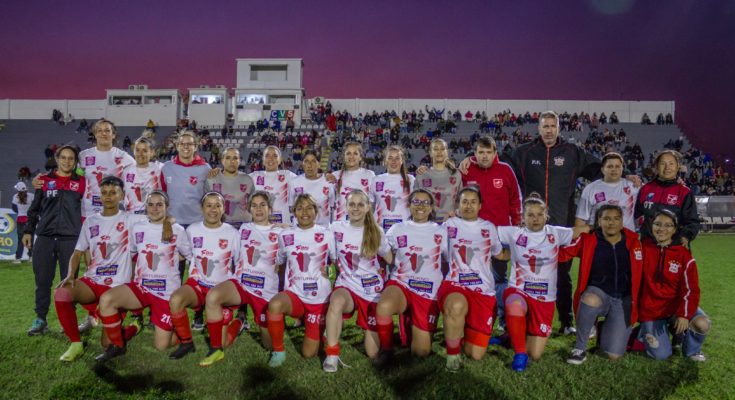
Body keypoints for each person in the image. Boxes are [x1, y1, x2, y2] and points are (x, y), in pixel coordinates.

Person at [95, 191, 191, 361]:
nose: (154, 208)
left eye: (159, 204)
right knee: (107, 299)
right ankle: (118, 346)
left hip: (165, 293)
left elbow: (190, 257)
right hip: (142, 288)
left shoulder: (177, 230)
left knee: (162, 346)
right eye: (151, 204)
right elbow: (132, 255)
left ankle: (174, 327)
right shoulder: (137, 227)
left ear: (167, 207)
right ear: (145, 207)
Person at [497, 194, 587, 371]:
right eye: (530, 215)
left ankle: (510, 336)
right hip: (519, 290)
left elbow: (580, 231)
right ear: (523, 217)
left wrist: (604, 224)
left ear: (546, 215)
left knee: (536, 354)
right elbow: (484, 231)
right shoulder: (513, 233)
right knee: (514, 306)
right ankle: (519, 354)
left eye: (539, 214)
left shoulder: (555, 233)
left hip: (544, 298)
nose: (535, 218)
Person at [53, 176, 137, 362]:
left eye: (113, 193)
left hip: (117, 287)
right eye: (104, 192)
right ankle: (76, 344)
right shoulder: (90, 221)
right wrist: (70, 275)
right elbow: (77, 253)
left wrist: (167, 222)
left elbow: (157, 220)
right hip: (93, 282)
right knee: (61, 293)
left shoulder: (132, 220)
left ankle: (134, 327)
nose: (108, 197)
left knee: (108, 345)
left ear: (122, 195)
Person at [197, 191, 282, 366]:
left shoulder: (281, 233)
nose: (258, 209)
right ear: (249, 209)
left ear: (270, 208)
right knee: (213, 297)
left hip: (265, 293)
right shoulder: (243, 229)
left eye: (262, 205)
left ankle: (240, 321)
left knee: (269, 345)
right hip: (241, 286)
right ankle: (216, 349)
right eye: (254, 205)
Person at [560, 205, 643, 364]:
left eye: (616, 219)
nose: (611, 223)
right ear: (598, 221)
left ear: (622, 221)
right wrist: (535, 249)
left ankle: (605, 328)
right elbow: (563, 254)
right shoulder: (588, 240)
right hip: (599, 294)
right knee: (590, 299)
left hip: (623, 299)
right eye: (606, 218)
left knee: (613, 355)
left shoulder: (634, 242)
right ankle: (580, 348)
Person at [375, 189, 448, 365]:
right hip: (402, 283)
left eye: (425, 202)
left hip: (428, 292)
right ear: (409, 206)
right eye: (416, 202)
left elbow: (447, 261)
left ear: (431, 207)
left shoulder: (442, 231)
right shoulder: (397, 229)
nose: (420, 206)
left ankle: (409, 319)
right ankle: (386, 349)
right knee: (384, 306)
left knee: (421, 352)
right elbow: (389, 256)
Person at [323, 190, 393, 372]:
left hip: (372, 291)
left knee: (373, 352)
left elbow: (391, 260)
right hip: (346, 285)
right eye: (351, 204)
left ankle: (382, 341)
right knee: (336, 301)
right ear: (345, 207)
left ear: (368, 207)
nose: (355, 208)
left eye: (360, 204)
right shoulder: (335, 228)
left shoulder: (376, 231)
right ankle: (332, 355)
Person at [439, 187, 506, 371]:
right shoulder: (449, 225)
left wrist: (524, 253)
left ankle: (461, 333)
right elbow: (439, 252)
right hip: (455, 283)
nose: (468, 205)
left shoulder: (488, 228)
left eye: (473, 202)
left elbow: (499, 254)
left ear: (480, 205)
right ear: (458, 205)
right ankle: (452, 357)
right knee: (455, 305)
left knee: (476, 354)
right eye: (464, 201)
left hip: (483, 290)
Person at [168, 192, 240, 360]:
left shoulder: (232, 233)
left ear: (223, 209)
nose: (213, 209)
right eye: (209, 205)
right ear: (202, 208)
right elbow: (184, 254)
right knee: (176, 300)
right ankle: (186, 343)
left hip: (221, 290)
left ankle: (239, 322)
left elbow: (240, 263)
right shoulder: (192, 230)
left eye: (217, 205)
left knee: (224, 342)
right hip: (199, 284)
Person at [460, 135, 522, 330]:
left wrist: (518, 224)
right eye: (480, 152)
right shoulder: (466, 170)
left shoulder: (505, 170)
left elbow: (515, 200)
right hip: (473, 236)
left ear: (495, 153)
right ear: (475, 153)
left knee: (499, 279)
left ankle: (503, 321)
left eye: (488, 152)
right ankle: (475, 318)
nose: (484, 156)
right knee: (473, 277)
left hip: (500, 235)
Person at [23, 146, 86, 336]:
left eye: (71, 159)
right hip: (45, 238)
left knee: (68, 282)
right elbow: (34, 209)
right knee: (42, 281)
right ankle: (40, 320)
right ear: (57, 159)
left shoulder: (82, 183)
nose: (67, 162)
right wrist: (28, 230)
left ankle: (68, 321)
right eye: (63, 158)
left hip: (71, 239)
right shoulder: (44, 180)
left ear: (75, 162)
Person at [267, 194, 334, 367]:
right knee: (274, 305)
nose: (304, 212)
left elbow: (337, 262)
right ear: (294, 213)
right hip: (295, 295)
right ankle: (278, 351)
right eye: (300, 208)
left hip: (318, 298)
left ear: (316, 211)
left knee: (309, 353)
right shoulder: (286, 235)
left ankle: (323, 329)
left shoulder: (327, 234)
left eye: (309, 207)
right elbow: (280, 262)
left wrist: (331, 271)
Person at [636, 210, 710, 361]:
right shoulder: (641, 249)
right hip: (652, 311)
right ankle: (642, 331)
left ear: (675, 229)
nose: (662, 229)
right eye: (658, 224)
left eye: (668, 225)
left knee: (702, 323)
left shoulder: (684, 255)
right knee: (661, 355)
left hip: (676, 308)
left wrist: (683, 314)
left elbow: (690, 290)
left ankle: (692, 351)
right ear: (651, 226)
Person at [161, 130, 211, 330]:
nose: (186, 147)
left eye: (190, 144)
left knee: (198, 270)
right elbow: (162, 196)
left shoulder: (205, 168)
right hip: (174, 224)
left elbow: (209, 197)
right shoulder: (167, 168)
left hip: (197, 225)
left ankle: (198, 314)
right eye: (183, 143)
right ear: (177, 145)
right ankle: (171, 312)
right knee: (173, 270)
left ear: (196, 147)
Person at [635, 150, 699, 247]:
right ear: (656, 166)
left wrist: (686, 236)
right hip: (647, 248)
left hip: (673, 248)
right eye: (662, 163)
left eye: (671, 163)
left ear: (678, 167)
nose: (667, 167)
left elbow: (692, 221)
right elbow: (635, 216)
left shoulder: (684, 192)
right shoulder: (645, 189)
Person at [78, 119, 135, 219]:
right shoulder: (83, 156)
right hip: (87, 211)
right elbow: (76, 177)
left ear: (113, 134)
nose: (103, 133)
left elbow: (136, 178)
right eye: (99, 131)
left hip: (113, 211)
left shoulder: (124, 157)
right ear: (95, 134)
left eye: (107, 130)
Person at [576, 152, 639, 231]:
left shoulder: (633, 186)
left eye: (617, 166)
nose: (614, 169)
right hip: (598, 239)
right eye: (610, 166)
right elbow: (581, 220)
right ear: (602, 169)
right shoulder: (591, 189)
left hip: (626, 240)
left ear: (622, 168)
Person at [414, 139, 462, 223]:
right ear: (430, 152)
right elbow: (415, 201)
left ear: (447, 152)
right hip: (427, 223)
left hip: (450, 223)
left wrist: (457, 212)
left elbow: (461, 199)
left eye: (442, 149)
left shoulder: (456, 174)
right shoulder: (422, 174)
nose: (439, 152)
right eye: (435, 149)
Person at [206, 147, 255, 229]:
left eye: (235, 158)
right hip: (220, 226)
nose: (232, 161)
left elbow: (253, 205)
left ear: (239, 161)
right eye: (228, 158)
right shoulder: (212, 179)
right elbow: (205, 205)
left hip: (244, 226)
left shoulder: (248, 179)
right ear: (222, 160)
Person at [249, 146, 295, 225]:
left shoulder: (288, 175)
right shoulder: (254, 176)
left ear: (280, 160)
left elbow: (306, 181)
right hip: (260, 227)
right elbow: (236, 179)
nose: (271, 159)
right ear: (263, 160)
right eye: (267, 156)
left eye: (275, 156)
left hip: (283, 227)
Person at [122, 137, 164, 225]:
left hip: (153, 218)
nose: (140, 154)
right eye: (137, 150)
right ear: (133, 151)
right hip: (131, 219)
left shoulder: (159, 168)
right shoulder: (126, 171)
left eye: (145, 150)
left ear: (152, 152)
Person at [373, 146, 415, 232]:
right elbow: (370, 205)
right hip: (379, 228)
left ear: (402, 161)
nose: (394, 161)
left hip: (404, 228)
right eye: (390, 158)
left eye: (397, 158)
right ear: (385, 161)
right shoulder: (376, 179)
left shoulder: (410, 180)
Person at [330, 142, 375, 222]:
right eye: (348, 153)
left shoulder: (369, 175)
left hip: (362, 224)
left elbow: (371, 203)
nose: (351, 156)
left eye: (355, 153)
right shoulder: (335, 176)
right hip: (340, 225)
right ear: (344, 156)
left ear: (360, 157)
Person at [289, 150, 334, 227]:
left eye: (313, 161)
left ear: (319, 164)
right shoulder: (294, 182)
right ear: (302, 164)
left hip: (322, 230)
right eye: (306, 161)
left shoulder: (328, 182)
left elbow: (332, 207)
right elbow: (291, 207)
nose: (309, 165)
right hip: (300, 229)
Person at [12, 182, 34, 263]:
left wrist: (21, 211)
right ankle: (31, 257)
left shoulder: (15, 196)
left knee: (20, 239)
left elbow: (14, 209)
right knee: (30, 239)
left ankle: (18, 258)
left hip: (20, 219)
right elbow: (35, 206)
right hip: (30, 219)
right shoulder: (31, 195)